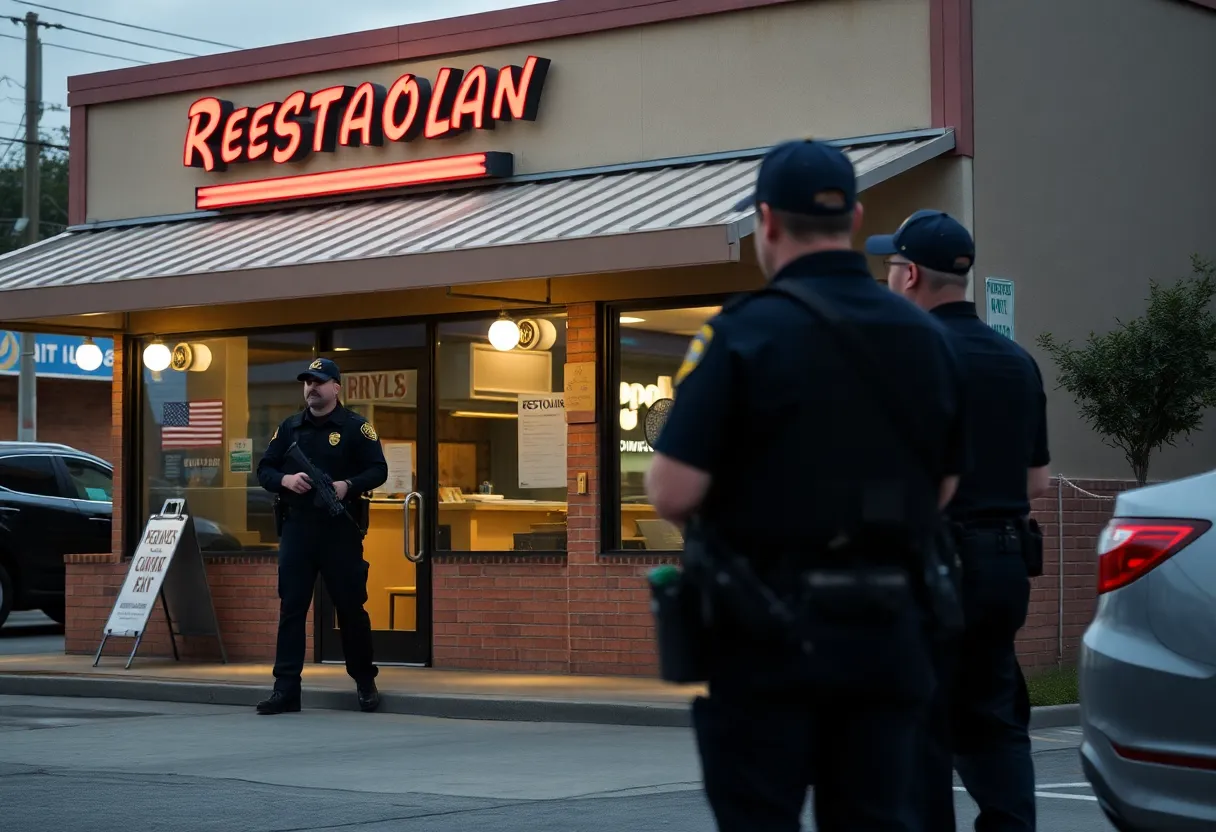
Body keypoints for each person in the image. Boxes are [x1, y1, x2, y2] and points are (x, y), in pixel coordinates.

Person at [645, 140, 968, 832]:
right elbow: (944, 488)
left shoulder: (741, 333)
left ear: (766, 221)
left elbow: (671, 491)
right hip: (889, 631)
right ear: (854, 218)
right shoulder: (926, 338)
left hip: (768, 634)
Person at [868, 210, 1051, 832]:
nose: (888, 277)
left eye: (891, 266)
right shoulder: (1016, 361)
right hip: (1003, 565)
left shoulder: (900, 357)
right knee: (994, 722)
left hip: (926, 566)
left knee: (918, 731)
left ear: (911, 274)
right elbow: (1036, 483)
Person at [255, 357, 388, 715]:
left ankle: (364, 680)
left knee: (350, 608)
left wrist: (348, 485)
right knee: (292, 609)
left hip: (339, 530)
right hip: (298, 528)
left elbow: (378, 470)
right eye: (307, 382)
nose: (312, 387)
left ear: (336, 387)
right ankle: (285, 690)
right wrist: (285, 480)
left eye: (319, 381)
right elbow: (264, 469)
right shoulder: (290, 428)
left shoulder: (355, 427)